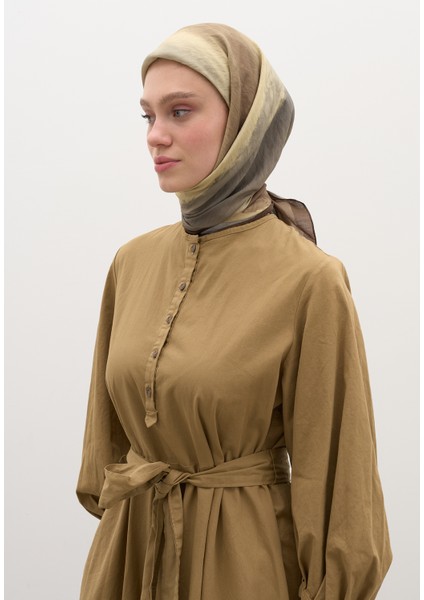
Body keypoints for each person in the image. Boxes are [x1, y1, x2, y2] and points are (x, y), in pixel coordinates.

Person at [76, 23, 392, 600]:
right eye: (148, 116)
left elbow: (338, 479)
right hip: (130, 554)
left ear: (245, 121)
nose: (156, 136)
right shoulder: (131, 263)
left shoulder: (310, 279)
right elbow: (106, 453)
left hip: (244, 565)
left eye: (180, 111)